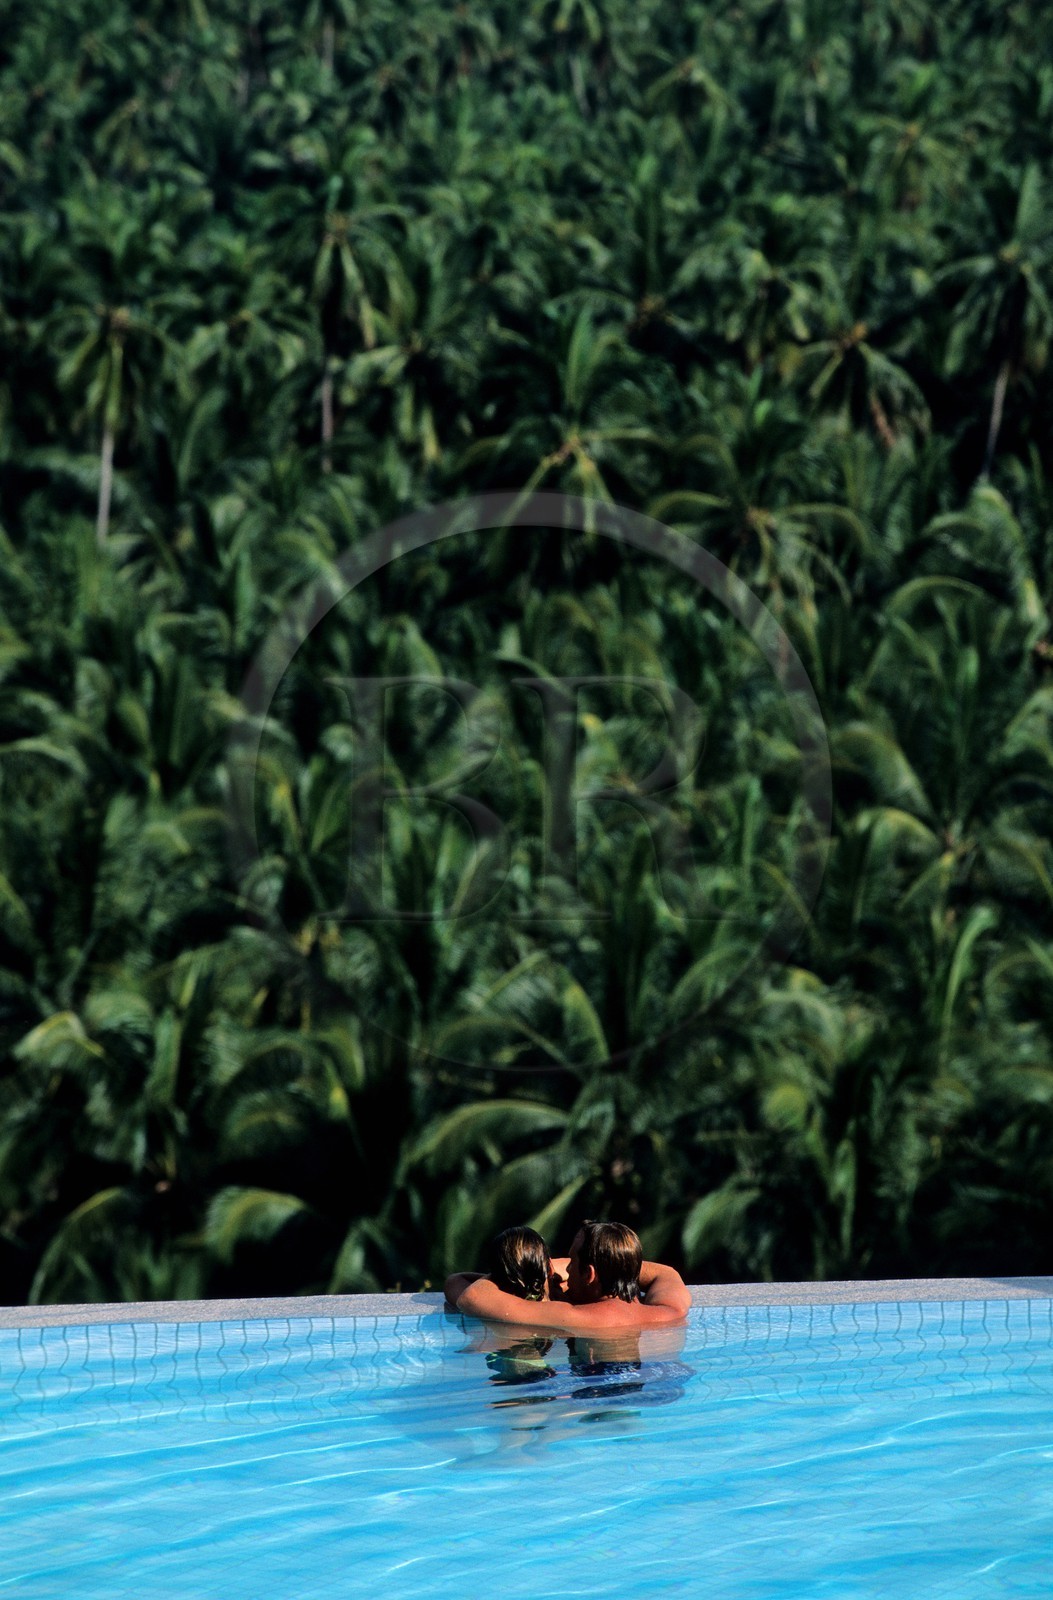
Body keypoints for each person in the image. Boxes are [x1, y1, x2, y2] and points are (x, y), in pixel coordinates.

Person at [444, 1219, 690, 1331]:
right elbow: (665, 1272)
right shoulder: (670, 1311)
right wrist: (614, 1263)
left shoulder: (572, 1318)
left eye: (572, 1261)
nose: (565, 1268)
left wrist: (533, 1269)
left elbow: (472, 1297)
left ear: (589, 1274)